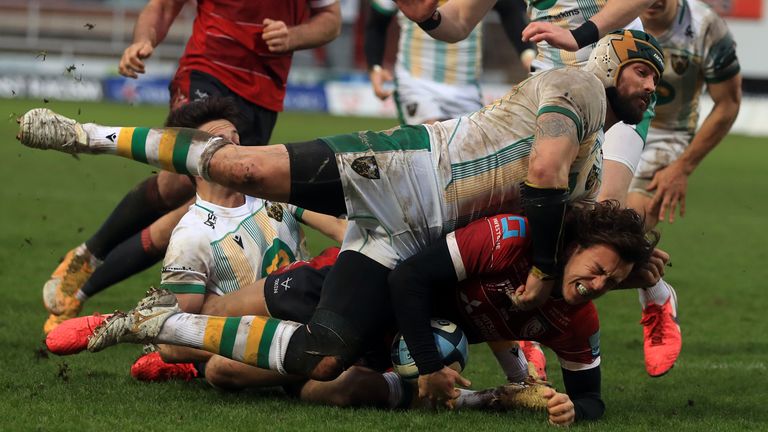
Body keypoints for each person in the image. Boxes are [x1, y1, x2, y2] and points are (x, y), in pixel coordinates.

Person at [18, 29, 664, 395]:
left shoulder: (588, 153)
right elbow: (542, 176)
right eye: (646, 75)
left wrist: (646, 274)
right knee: (241, 165)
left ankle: (147, 324)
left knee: (321, 356)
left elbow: (581, 222)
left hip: (415, 233)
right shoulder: (580, 85)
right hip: (408, 167)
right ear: (617, 64)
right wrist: (548, 269)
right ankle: (83, 135)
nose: (652, 89)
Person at [81, 201, 662, 425]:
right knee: (193, 335)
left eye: (612, 281)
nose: (598, 283)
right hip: (357, 276)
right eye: (598, 265)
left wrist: (569, 407)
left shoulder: (576, 319)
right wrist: (433, 363)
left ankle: (207, 359)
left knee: (225, 372)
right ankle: (139, 330)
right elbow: (410, 276)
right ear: (576, 243)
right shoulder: (509, 239)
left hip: (393, 327)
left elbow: (593, 397)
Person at [393, 0, 688, 377]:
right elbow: (460, 20)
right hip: (550, 86)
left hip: (620, 83)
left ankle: (656, 296)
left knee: (604, 223)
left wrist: (578, 35)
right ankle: (520, 355)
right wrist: (428, 17)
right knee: (510, 222)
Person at [38, 0, 343, 334]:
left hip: (262, 98)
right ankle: (89, 255)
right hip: (208, 73)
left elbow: (330, 19)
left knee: (193, 209)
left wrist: (294, 35)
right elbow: (163, 7)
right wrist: (145, 40)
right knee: (178, 182)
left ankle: (83, 289)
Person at [623, 0, 740, 373]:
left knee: (625, 226)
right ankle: (526, 335)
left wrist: (683, 167)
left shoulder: (706, 27)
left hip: (667, 140)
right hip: (612, 125)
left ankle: (655, 299)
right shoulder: (610, 13)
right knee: (566, 226)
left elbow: (729, 103)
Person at [365, 0, 535, 125]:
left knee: (469, 160)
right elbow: (376, 24)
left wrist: (527, 54)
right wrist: (375, 67)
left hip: (465, 86)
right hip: (417, 81)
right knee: (435, 143)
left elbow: (510, 9)